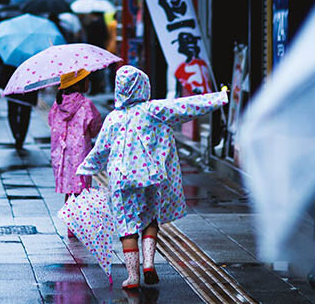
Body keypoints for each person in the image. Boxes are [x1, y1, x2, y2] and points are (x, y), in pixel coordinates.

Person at [76, 65, 228, 289]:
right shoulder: (153, 110)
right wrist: (220, 97)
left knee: (127, 226)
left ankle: (132, 276)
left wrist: (85, 168)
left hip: (121, 179)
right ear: (142, 86)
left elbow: (100, 150)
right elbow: (186, 107)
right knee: (149, 219)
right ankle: (148, 264)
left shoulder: (113, 118)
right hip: (149, 177)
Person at [48, 70, 102, 237]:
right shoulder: (86, 105)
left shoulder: (57, 104)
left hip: (61, 155)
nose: (89, 83)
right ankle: (78, 226)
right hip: (80, 154)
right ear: (78, 84)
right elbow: (95, 127)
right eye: (86, 80)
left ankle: (71, 226)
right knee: (81, 189)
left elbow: (51, 122)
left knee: (69, 191)